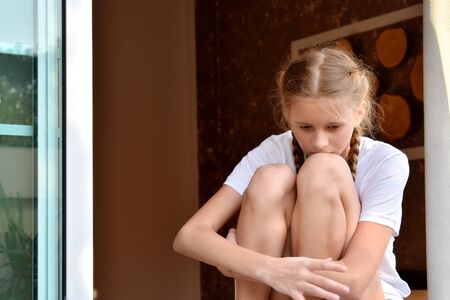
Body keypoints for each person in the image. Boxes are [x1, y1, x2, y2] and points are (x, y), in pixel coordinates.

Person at [173, 43, 411, 300]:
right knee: (270, 178)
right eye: (305, 127)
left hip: (353, 294)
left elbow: (353, 281)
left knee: (323, 170)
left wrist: (239, 262)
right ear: (287, 115)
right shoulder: (271, 151)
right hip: (284, 288)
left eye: (333, 127)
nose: (319, 142)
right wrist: (270, 269)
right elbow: (189, 236)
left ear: (359, 111)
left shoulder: (385, 161)